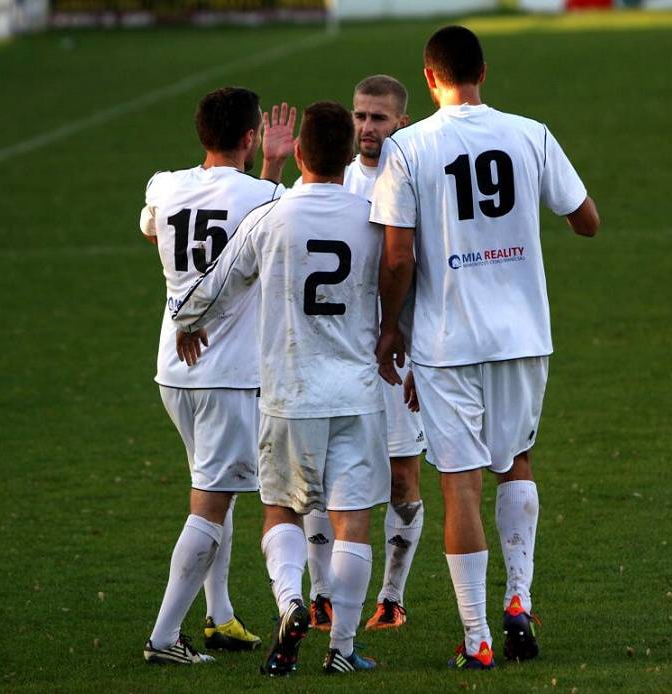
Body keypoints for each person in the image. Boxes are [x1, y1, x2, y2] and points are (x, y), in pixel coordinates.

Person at [371, 25, 600, 669]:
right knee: (517, 463)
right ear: (484, 71)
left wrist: (391, 327)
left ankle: (476, 640)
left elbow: (396, 256)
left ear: (428, 77)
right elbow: (587, 221)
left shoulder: (408, 146)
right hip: (523, 332)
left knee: (461, 487)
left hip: (448, 340)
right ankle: (519, 601)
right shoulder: (530, 133)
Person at [172, 101, 388, 676]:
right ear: (349, 156)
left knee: (280, 512)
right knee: (353, 522)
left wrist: (185, 319)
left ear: (297, 155)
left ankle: (292, 604)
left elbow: (213, 287)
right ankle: (341, 649)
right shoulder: (371, 216)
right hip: (356, 395)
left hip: (289, 395)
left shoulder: (270, 218)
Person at [139, 87, 296, 665]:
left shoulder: (164, 185)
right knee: (212, 500)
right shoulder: (270, 197)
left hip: (173, 370)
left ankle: (220, 615)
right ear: (251, 137)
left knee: (214, 492)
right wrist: (275, 168)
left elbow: (155, 233)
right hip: (228, 375)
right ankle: (163, 639)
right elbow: (263, 230)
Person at [295, 75, 427, 633]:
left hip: (397, 354)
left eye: (378, 117)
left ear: (401, 121)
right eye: (359, 116)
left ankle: (391, 597)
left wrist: (415, 347)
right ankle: (321, 594)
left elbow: (422, 268)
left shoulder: (416, 178)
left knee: (402, 476)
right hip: (341, 355)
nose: (367, 127)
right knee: (324, 477)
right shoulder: (334, 180)